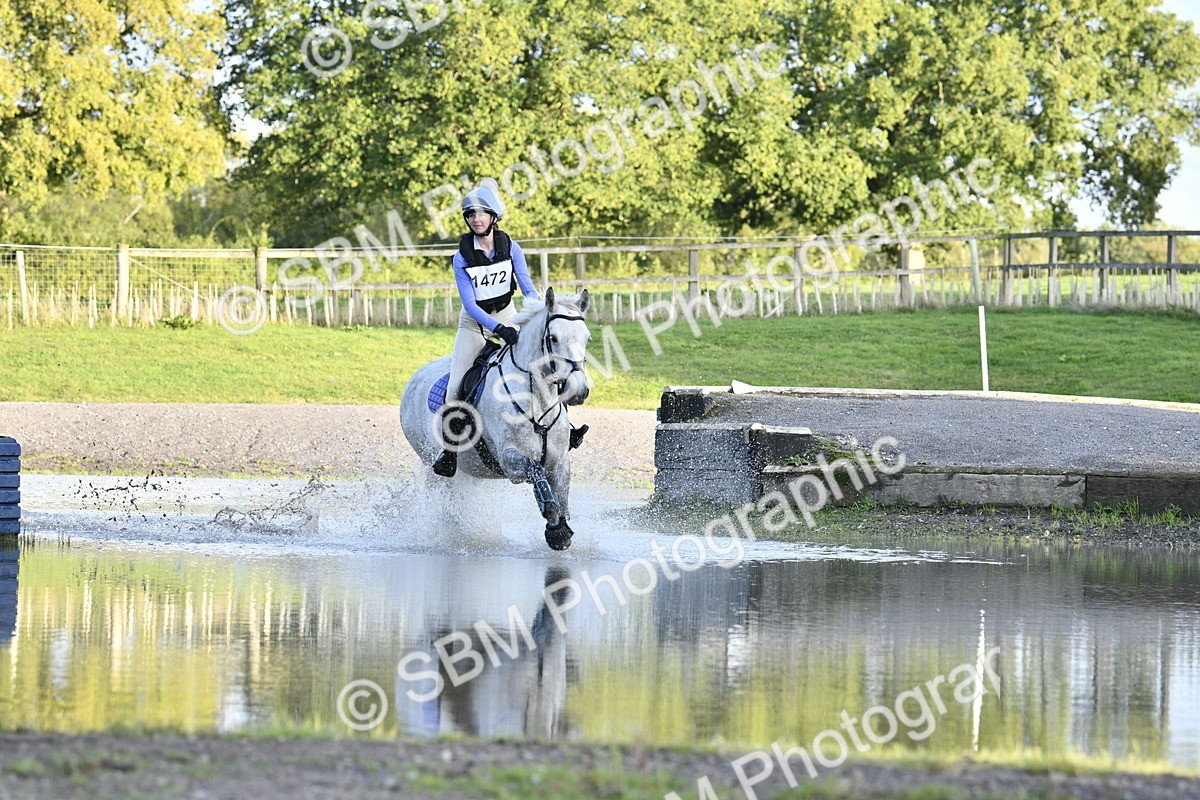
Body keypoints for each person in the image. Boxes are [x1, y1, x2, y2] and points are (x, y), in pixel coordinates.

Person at [431, 183, 539, 478]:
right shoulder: (462, 257)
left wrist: (535, 315)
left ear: (494, 217)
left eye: (481, 214)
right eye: (471, 215)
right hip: (474, 323)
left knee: (539, 365)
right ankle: (449, 452)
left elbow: (528, 288)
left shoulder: (511, 247)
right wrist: (499, 329)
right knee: (456, 386)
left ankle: (562, 427)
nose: (476, 219)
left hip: (508, 313)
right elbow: (470, 304)